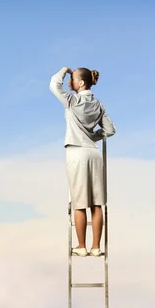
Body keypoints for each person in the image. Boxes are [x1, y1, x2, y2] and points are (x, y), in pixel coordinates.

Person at [49, 67, 116, 257]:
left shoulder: (72, 101)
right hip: (93, 154)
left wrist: (64, 69)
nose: (69, 83)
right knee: (97, 203)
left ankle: (81, 246)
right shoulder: (98, 104)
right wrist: (92, 137)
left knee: (79, 202)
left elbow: (54, 83)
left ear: (81, 83)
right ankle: (96, 247)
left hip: (76, 153)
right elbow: (110, 130)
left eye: (72, 79)